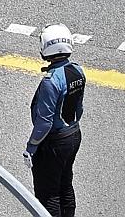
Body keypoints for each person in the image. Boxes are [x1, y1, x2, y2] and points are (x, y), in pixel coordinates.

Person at [27, 24, 87, 217]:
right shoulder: (78, 71)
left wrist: (31, 147)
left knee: (48, 193)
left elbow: (44, 122)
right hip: (73, 135)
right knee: (65, 183)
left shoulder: (50, 81)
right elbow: (79, 108)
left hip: (54, 142)